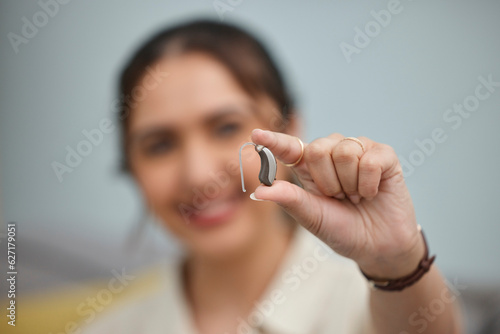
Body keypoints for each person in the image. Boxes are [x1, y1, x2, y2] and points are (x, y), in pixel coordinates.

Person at [83, 19, 462, 334]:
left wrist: (398, 266)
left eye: (226, 127)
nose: (199, 175)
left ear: (289, 127)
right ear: (131, 166)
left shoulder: (379, 304)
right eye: (160, 145)